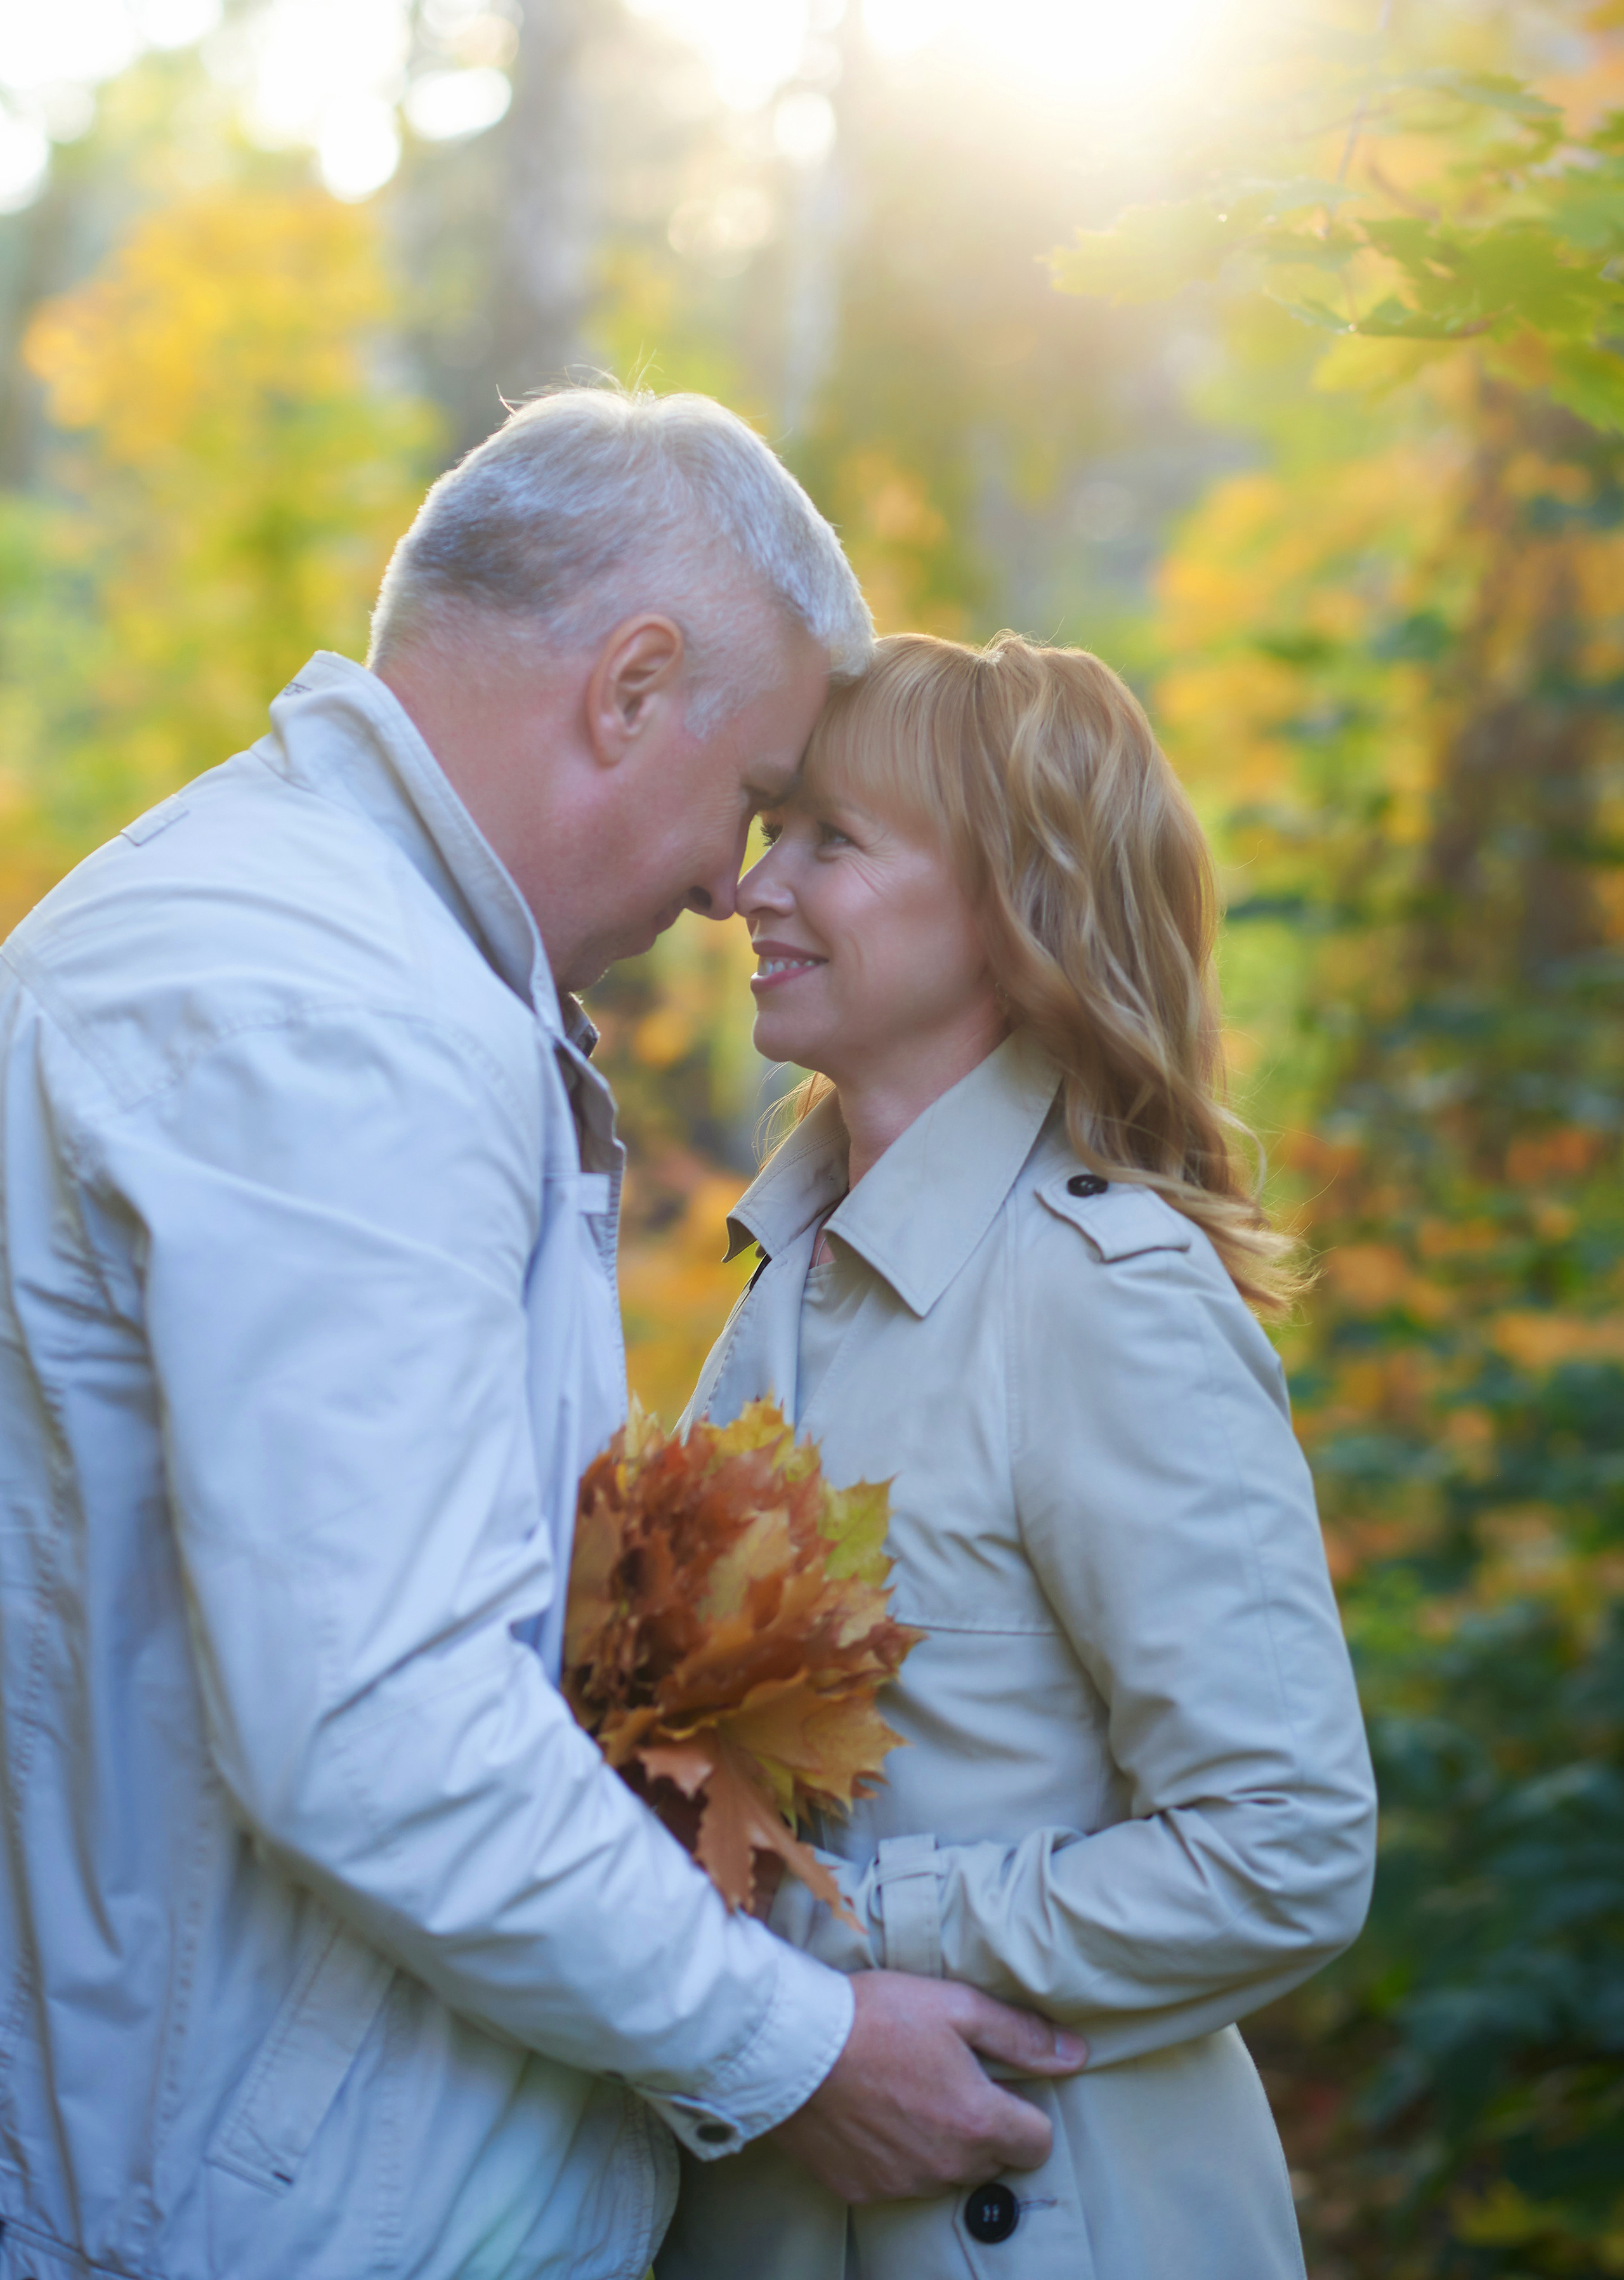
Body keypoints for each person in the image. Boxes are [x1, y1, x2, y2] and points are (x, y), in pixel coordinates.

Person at [0, 395, 1083, 2280]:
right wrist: (790, 2044)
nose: (729, 887)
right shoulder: (336, 1016)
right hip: (265, 2223)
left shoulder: (297, 935)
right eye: (750, 799)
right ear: (630, 688)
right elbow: (377, 1721)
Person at [658, 631, 1378, 2279]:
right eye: (778, 831)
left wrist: (850, 1933)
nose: (758, 890)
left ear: (1014, 905)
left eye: (835, 841)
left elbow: (1286, 1846)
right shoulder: (781, 1291)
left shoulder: (1104, 1298)